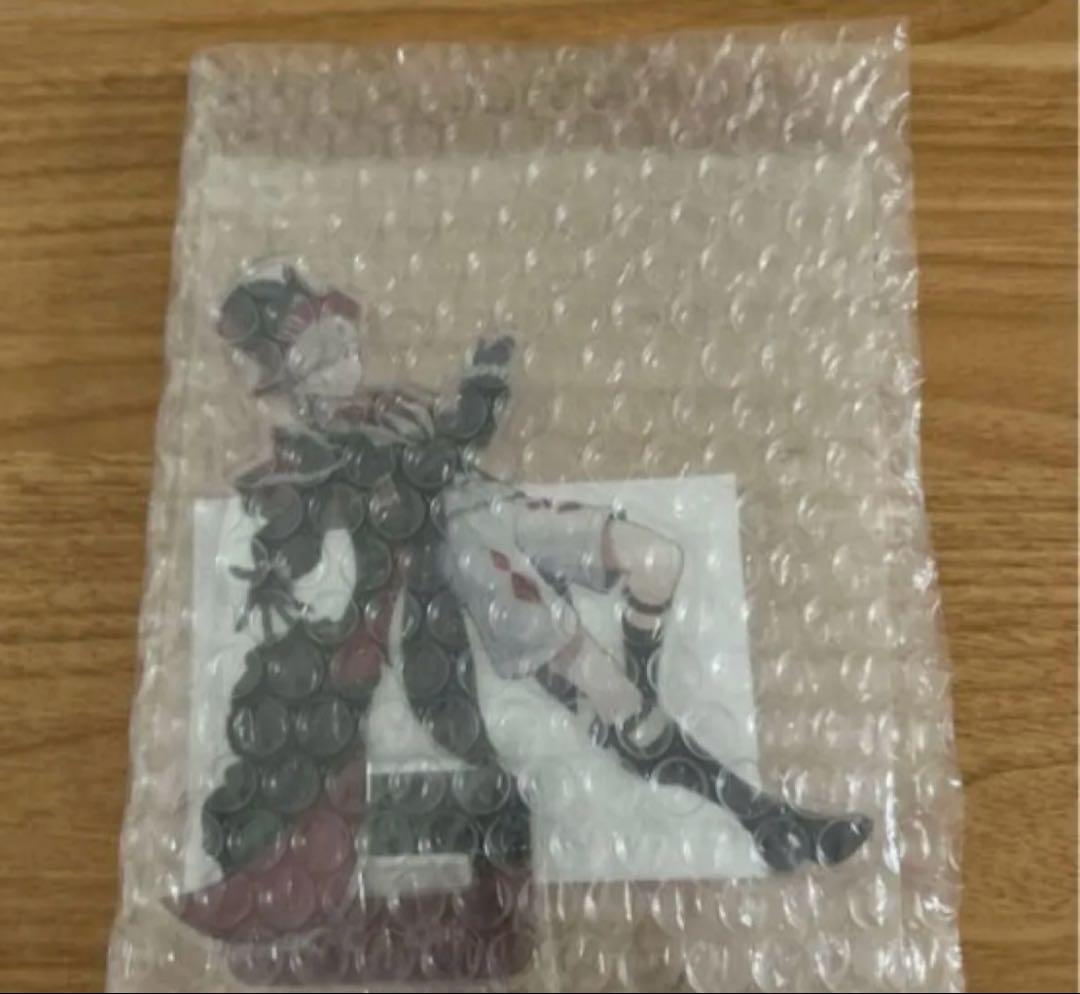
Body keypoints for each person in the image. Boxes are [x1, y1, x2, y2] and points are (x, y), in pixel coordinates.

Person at [178, 263, 871, 951]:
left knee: (658, 559)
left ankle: (644, 700)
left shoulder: (390, 405)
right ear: (289, 381)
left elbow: (450, 443)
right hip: (476, 566)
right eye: (319, 356)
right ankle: (761, 820)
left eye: (341, 340)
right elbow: (423, 472)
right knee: (616, 699)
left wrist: (480, 386)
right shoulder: (323, 453)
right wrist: (482, 387)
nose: (344, 361)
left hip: (501, 510)